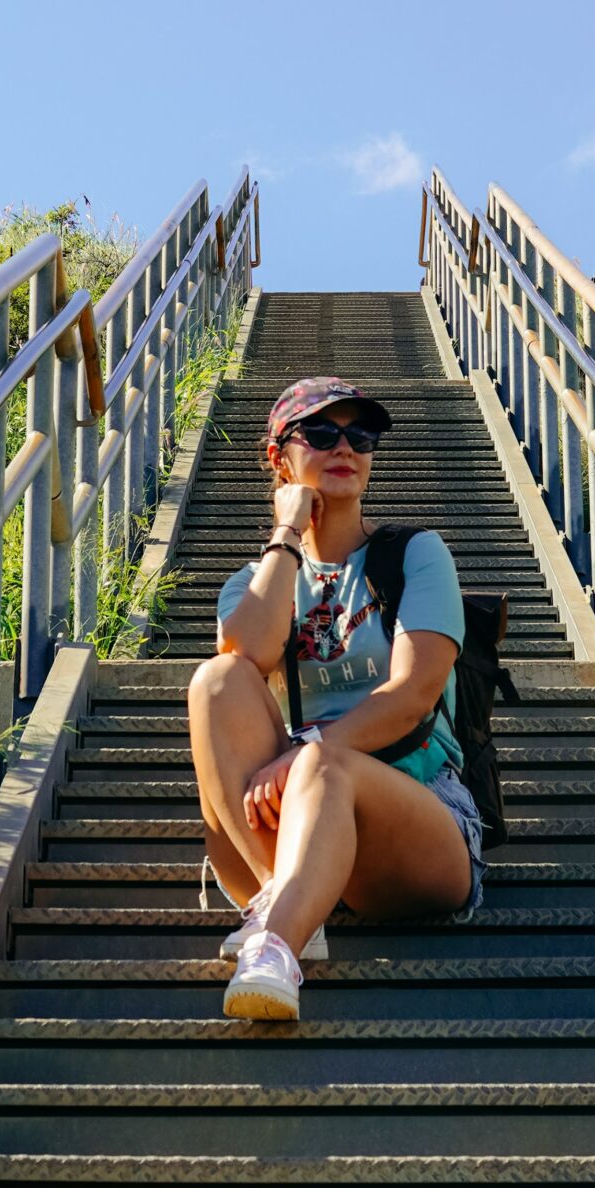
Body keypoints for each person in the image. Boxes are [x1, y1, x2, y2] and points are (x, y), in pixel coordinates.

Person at [187, 374, 485, 1020]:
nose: (344, 446)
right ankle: (291, 904)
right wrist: (288, 533)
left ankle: (274, 947)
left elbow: (412, 694)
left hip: (417, 821)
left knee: (322, 759)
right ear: (278, 457)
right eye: (320, 434)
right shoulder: (253, 581)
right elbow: (248, 659)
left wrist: (304, 756)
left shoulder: (415, 554)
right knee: (215, 680)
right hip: (289, 819)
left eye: (361, 434)